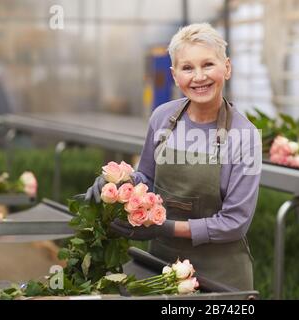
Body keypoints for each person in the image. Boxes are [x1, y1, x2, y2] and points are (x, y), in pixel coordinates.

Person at [85, 23, 262, 290]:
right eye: (187, 68)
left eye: (208, 65)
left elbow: (235, 223)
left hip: (220, 277)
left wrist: (163, 227)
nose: (199, 76)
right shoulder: (162, 118)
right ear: (174, 75)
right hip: (160, 269)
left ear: (227, 67)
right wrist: (118, 183)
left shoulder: (245, 136)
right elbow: (146, 177)